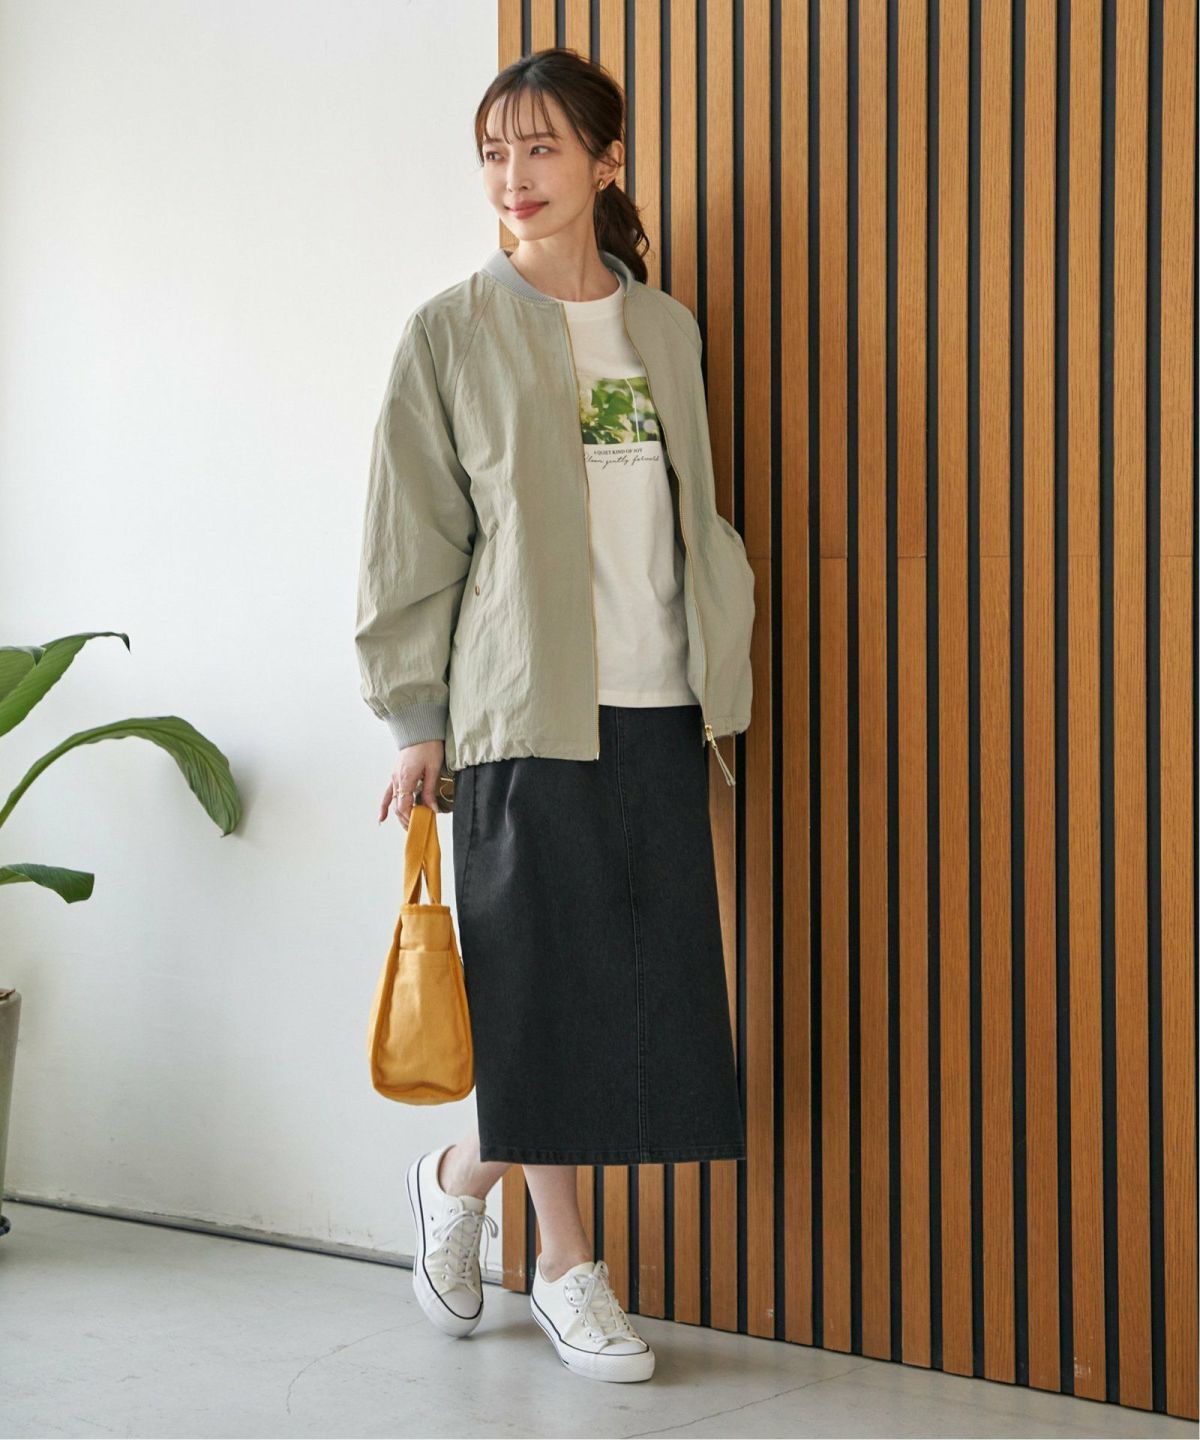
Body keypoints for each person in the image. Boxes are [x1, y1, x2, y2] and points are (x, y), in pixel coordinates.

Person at [355, 47, 755, 1384]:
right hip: (518, 712)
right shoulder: (451, 331)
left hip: (661, 702)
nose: (512, 178)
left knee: (631, 999)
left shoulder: (665, 330)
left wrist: (724, 660)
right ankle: (568, 1268)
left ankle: (459, 1177)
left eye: (539, 149)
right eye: (494, 153)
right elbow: (410, 539)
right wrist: (416, 721)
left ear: (605, 160)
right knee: (539, 992)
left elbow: (692, 516)